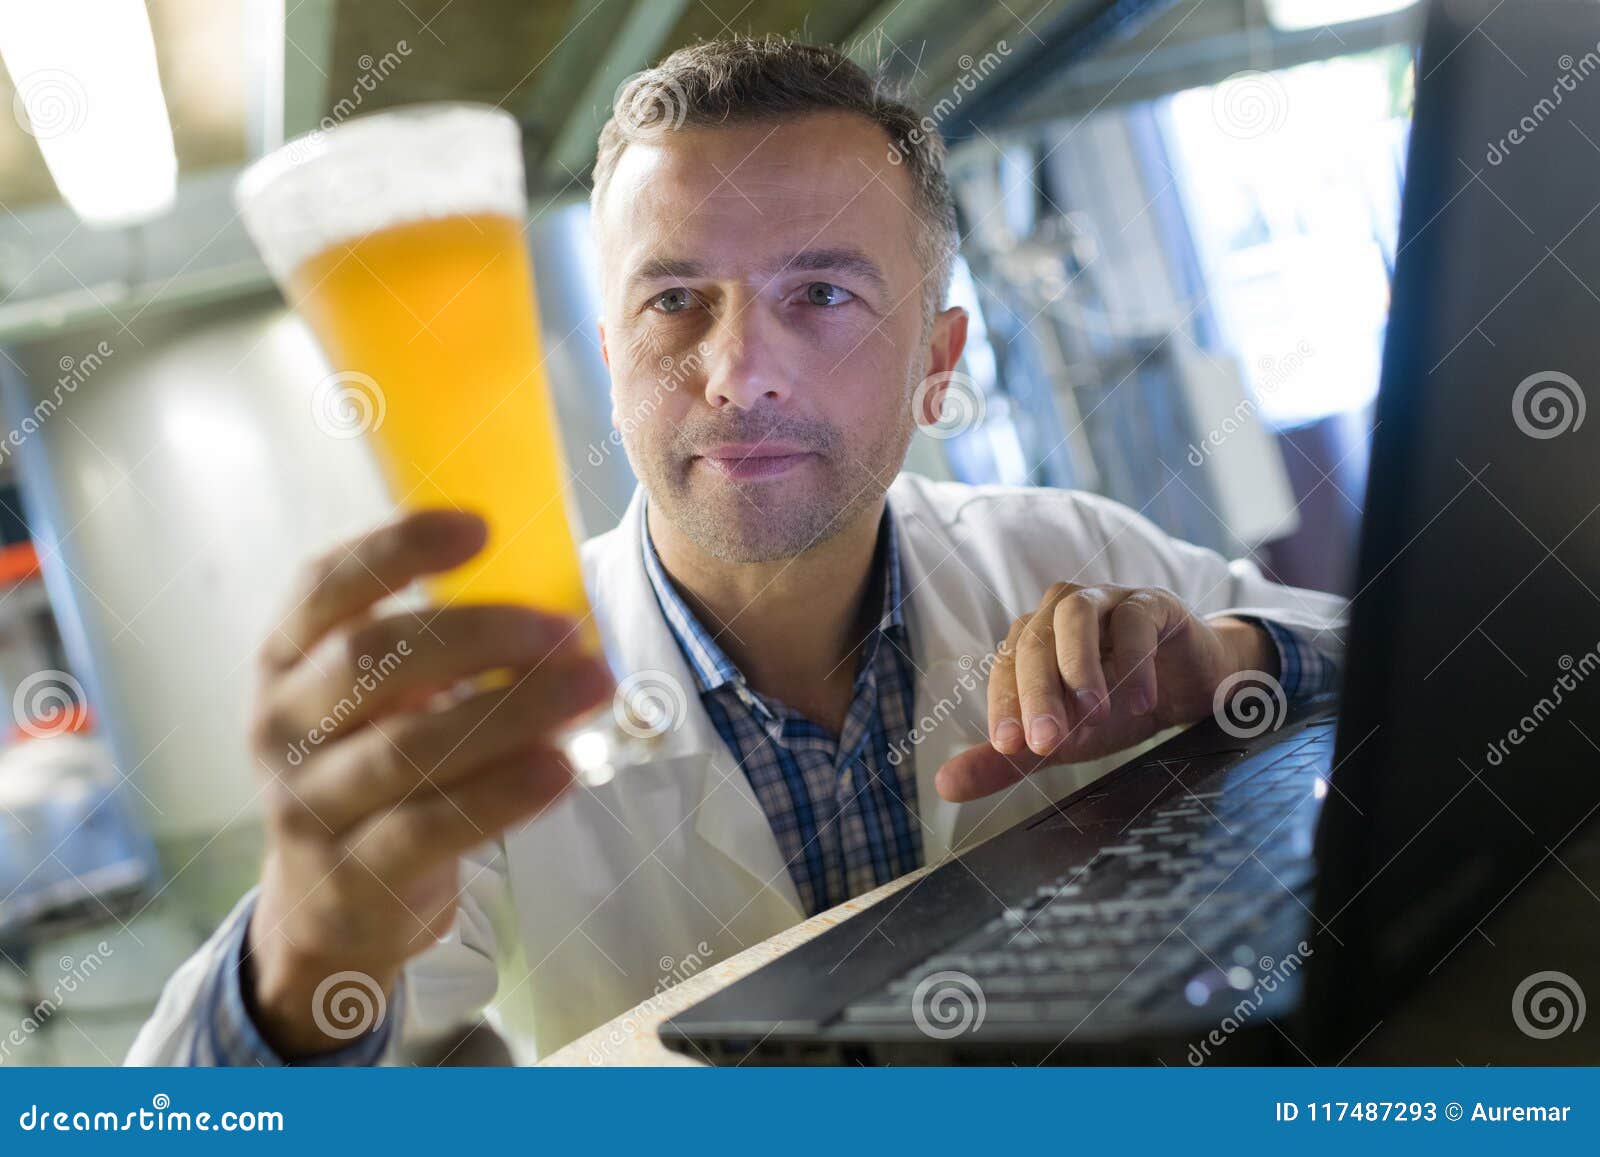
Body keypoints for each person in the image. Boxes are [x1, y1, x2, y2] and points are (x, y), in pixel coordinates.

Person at [127, 34, 1343, 1066]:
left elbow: (1400, 654)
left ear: (937, 360)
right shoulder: (491, 706)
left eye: (820, 293)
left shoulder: (1058, 547)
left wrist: (1233, 658)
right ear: (610, 362)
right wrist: (295, 960)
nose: (736, 370)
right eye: (673, 300)